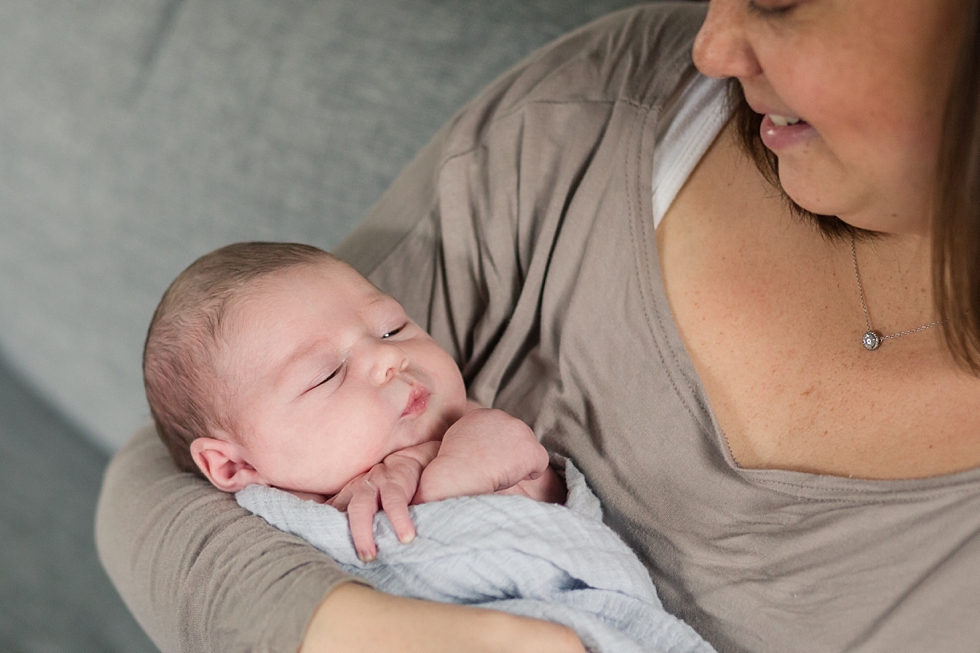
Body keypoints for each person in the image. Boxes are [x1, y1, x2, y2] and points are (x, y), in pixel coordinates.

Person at [96, 2, 980, 652]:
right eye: (328, 376)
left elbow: (509, 456)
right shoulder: (594, 115)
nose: (712, 45)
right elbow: (156, 485)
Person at [142, 242, 564, 563]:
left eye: (392, 329)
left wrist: (451, 468)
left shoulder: (471, 427)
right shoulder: (270, 531)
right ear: (237, 465)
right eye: (326, 374)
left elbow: (561, 509)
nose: (389, 358)